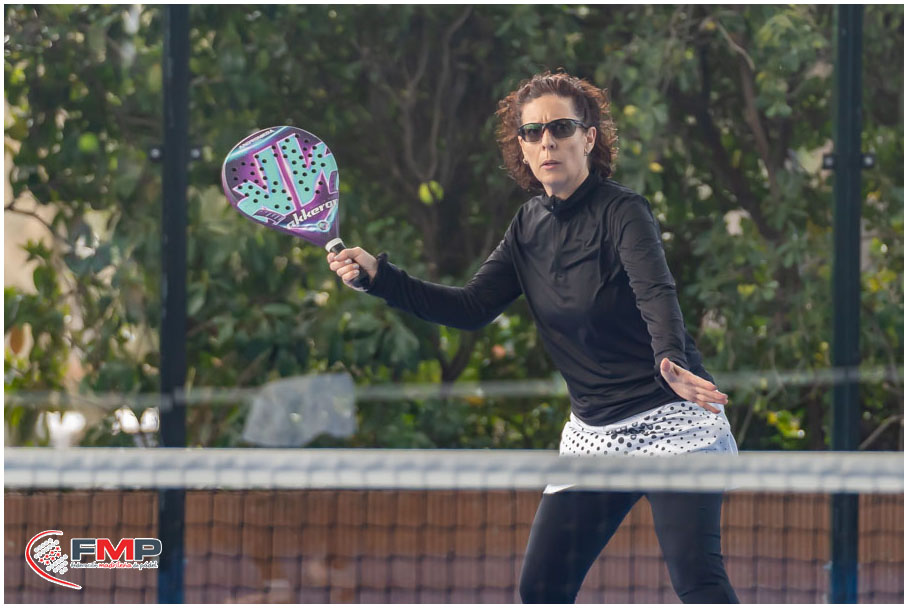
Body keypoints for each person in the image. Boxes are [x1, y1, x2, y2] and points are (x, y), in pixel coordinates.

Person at [327, 71, 739, 604]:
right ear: (521, 147)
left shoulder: (624, 212)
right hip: (595, 436)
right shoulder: (527, 227)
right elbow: (472, 308)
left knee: (698, 583)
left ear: (588, 138)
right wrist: (382, 279)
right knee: (542, 589)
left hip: (673, 422)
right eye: (532, 132)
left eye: (561, 127)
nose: (547, 141)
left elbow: (654, 291)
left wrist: (669, 358)